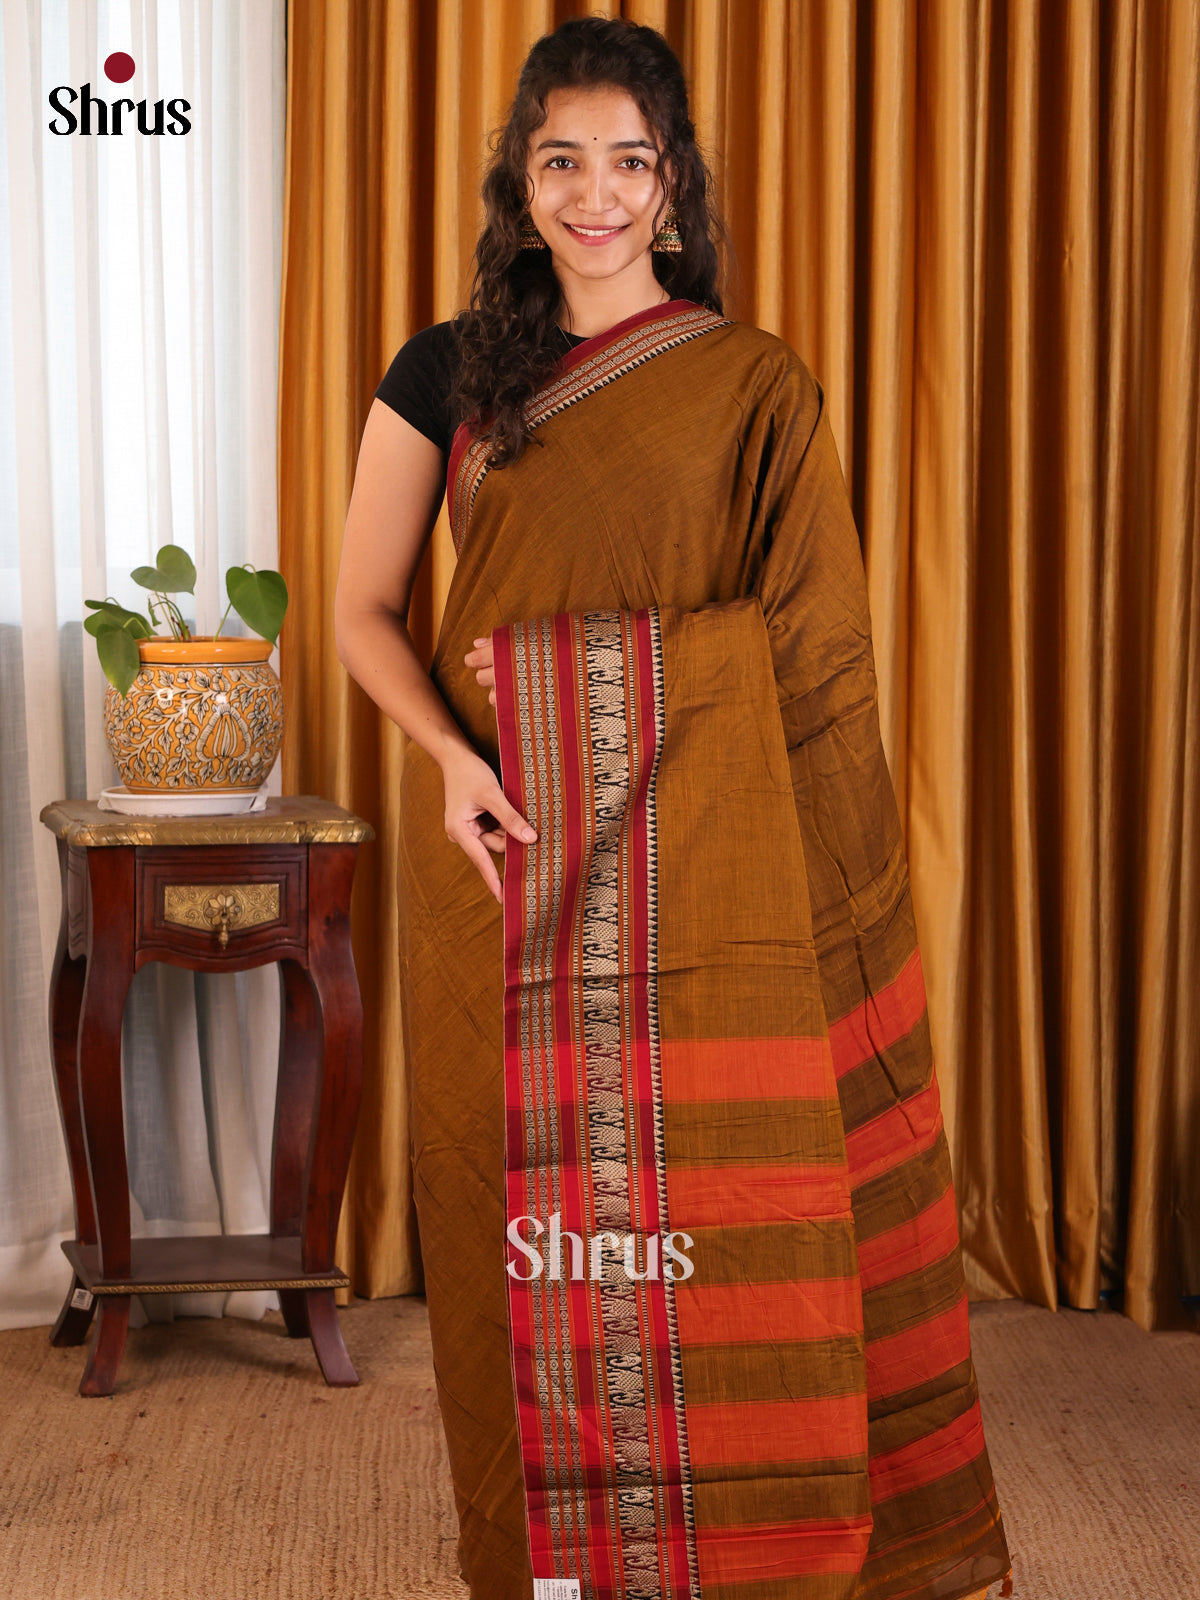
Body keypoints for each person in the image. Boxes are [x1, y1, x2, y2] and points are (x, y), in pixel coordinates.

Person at [336, 17, 1012, 1600]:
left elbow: (816, 658)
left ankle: (745, 1554)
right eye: (561, 161)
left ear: (674, 182)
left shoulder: (754, 387)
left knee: (723, 1204)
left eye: (628, 163)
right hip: (499, 849)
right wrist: (453, 760)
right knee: (512, 1218)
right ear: (520, 180)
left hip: (712, 864)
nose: (595, 196)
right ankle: (547, 1563)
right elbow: (366, 609)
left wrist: (594, 686)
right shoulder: (448, 371)